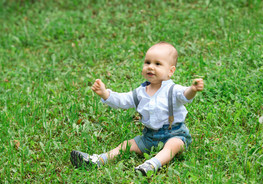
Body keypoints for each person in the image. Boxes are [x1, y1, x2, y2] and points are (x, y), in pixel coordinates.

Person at [70, 42, 204, 175]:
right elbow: (122, 101)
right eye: (147, 62)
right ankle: (98, 160)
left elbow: (185, 95)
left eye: (157, 64)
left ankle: (152, 164)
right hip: (149, 136)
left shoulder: (173, 90)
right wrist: (105, 94)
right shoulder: (140, 92)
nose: (150, 67)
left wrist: (192, 89)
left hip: (175, 133)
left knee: (173, 145)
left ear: (170, 71)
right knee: (126, 145)